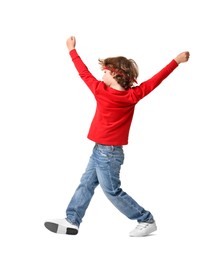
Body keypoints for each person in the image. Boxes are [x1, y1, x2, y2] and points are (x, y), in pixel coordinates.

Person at [44, 36, 190, 237]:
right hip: (100, 150)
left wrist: (71, 50)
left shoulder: (102, 91)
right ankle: (72, 220)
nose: (101, 75)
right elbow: (156, 80)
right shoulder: (131, 95)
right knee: (86, 183)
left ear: (114, 74)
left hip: (109, 155)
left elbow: (82, 72)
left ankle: (145, 219)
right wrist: (176, 61)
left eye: (104, 71)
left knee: (112, 191)